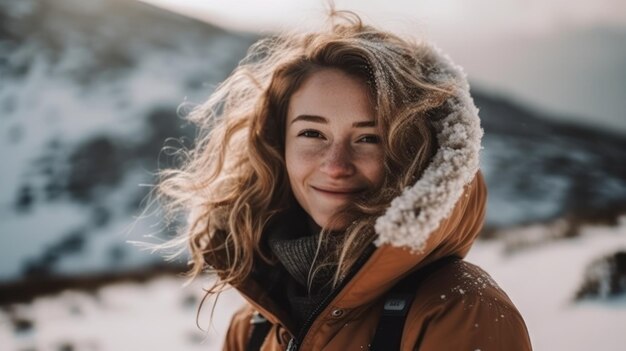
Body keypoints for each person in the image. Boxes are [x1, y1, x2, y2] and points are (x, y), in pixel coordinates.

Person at [157, 10, 532, 351]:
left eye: (369, 138)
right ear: (278, 145)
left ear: (412, 152)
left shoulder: (459, 309)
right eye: (312, 134)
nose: (335, 166)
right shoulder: (255, 326)